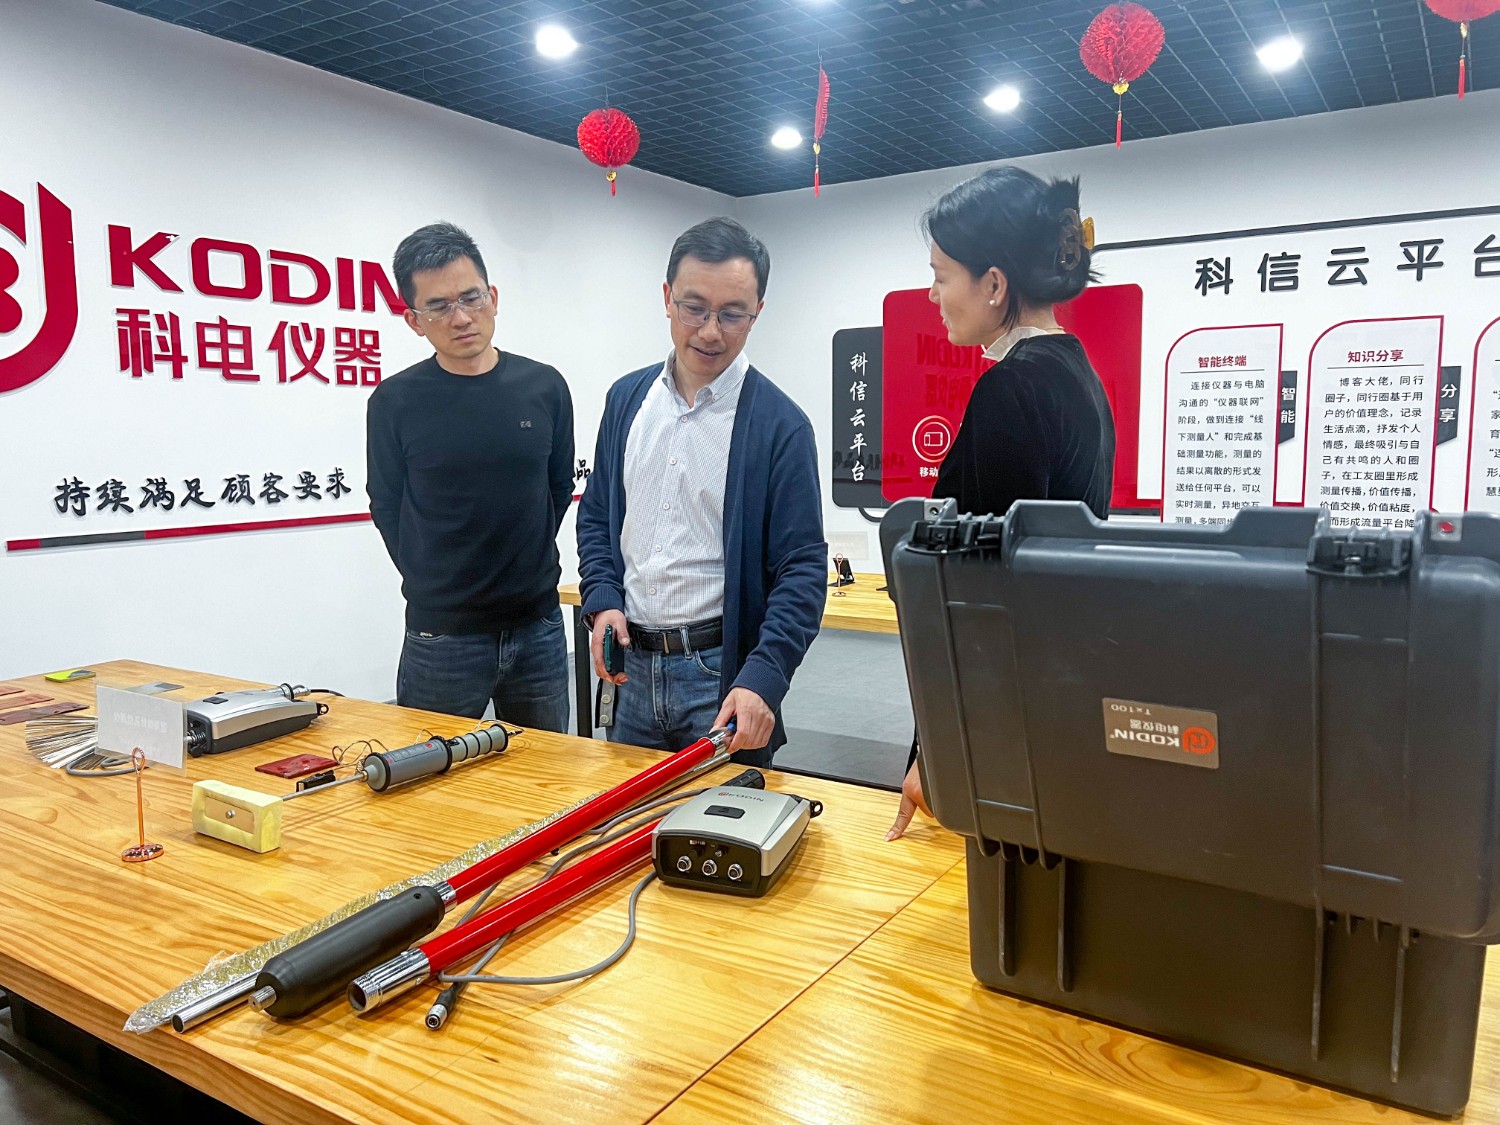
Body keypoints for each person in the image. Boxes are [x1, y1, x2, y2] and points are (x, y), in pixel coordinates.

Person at [887, 167, 1115, 839]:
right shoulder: (1075, 371)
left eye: (941, 276)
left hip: (1002, 737)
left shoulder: (1011, 390)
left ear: (993, 284)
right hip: (1053, 703)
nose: (932, 295)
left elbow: (978, 601)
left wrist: (934, 755)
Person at [576, 217, 826, 766]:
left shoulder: (781, 426)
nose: (710, 331)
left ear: (758, 312)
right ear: (667, 298)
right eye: (694, 308)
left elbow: (802, 568)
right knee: (627, 818)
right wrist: (603, 598)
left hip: (720, 678)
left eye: (732, 314)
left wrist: (765, 675)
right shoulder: (627, 401)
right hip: (631, 671)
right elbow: (596, 517)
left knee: (723, 821)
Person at [366, 222, 574, 731]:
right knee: (430, 772)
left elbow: (558, 486)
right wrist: (431, 579)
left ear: (493, 298)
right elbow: (386, 503)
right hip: (442, 635)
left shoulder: (544, 387)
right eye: (438, 306)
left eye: (471, 298)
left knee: (546, 771)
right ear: (414, 320)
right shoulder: (395, 402)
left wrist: (523, 561)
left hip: (538, 626)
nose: (460, 318)